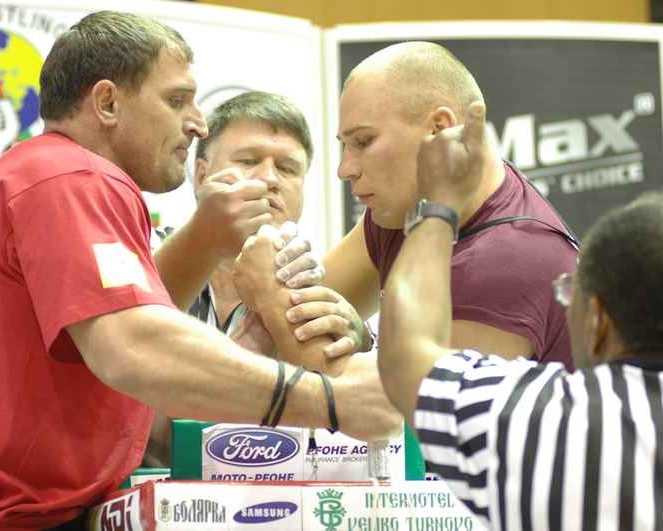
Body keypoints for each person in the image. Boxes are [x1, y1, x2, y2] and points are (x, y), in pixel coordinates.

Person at [0, 11, 399, 530]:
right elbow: (135, 348)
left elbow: (123, 329)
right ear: (108, 103)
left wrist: (209, 245)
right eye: (176, 100)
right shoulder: (74, 176)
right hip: (11, 518)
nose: (198, 122)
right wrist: (331, 400)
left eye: (288, 166)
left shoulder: (43, 171)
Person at [378, 99, 663, 530]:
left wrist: (437, 205)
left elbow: (404, 356)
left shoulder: (532, 419)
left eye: (570, 295)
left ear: (596, 319)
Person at [277, 41, 578, 369]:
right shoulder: (406, 205)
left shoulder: (512, 260)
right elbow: (295, 325)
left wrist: (365, 345)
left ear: (440, 129)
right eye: (345, 146)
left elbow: (407, 410)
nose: (345, 169)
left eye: (364, 142)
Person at [143, 90, 379, 466]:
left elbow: (370, 433)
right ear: (202, 175)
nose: (269, 179)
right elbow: (151, 436)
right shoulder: (143, 262)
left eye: (287, 169)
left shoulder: (323, 297)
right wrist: (268, 312)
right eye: (249, 160)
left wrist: (362, 343)